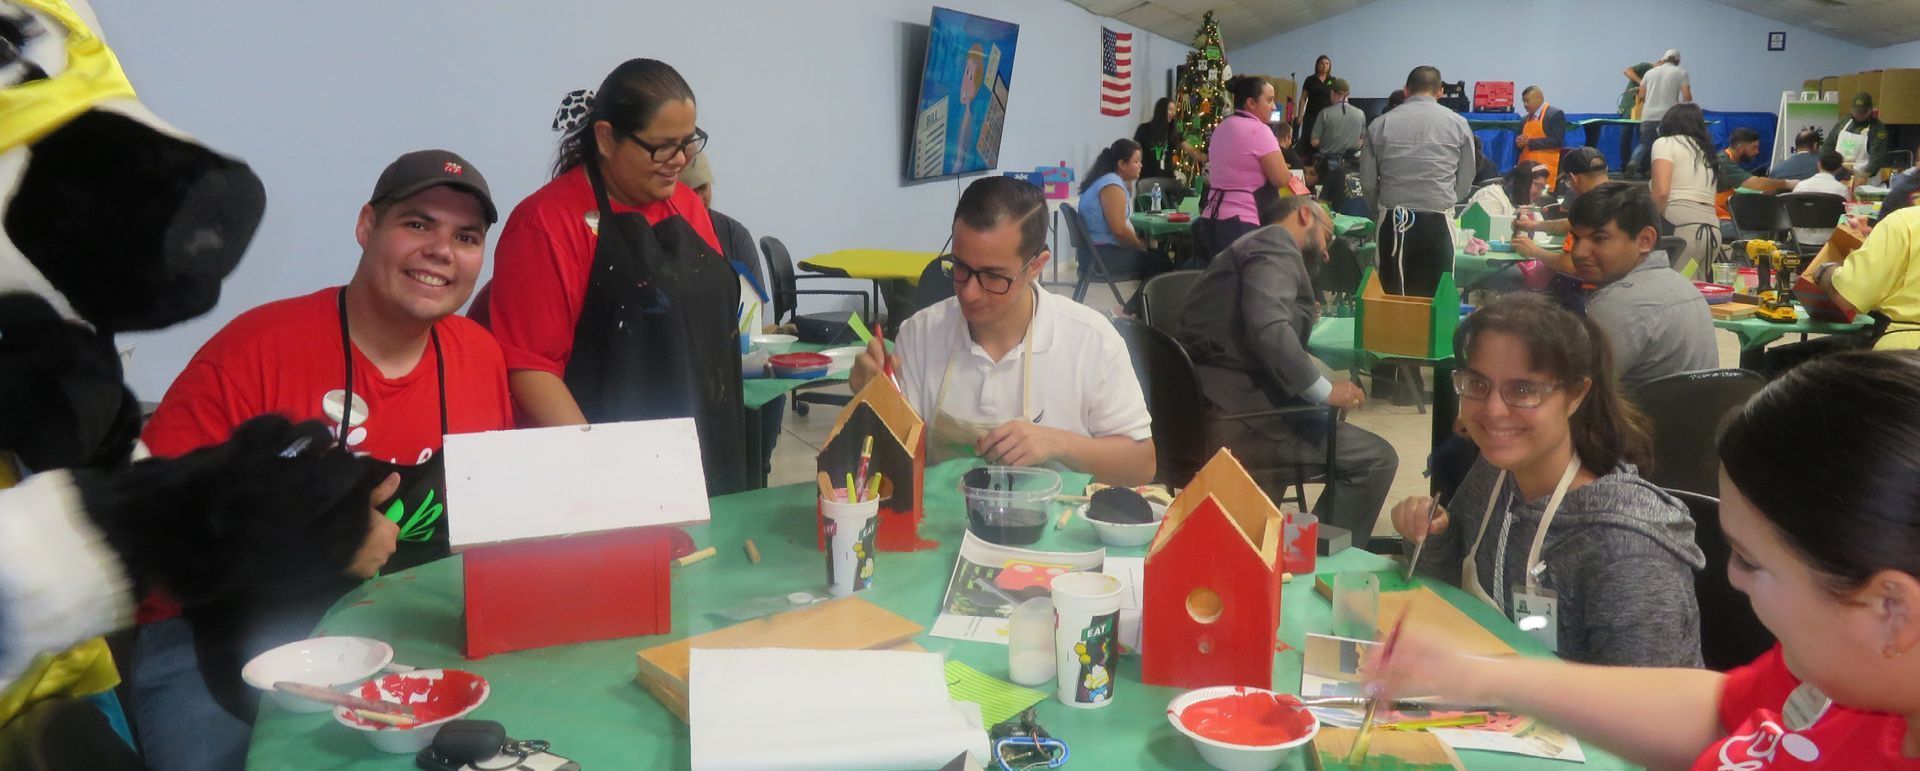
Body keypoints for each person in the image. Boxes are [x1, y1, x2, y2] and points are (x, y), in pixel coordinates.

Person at [133, 150, 514, 770]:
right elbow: (150, 526)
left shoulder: (479, 356)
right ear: (367, 225)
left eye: (466, 237)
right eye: (417, 224)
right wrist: (321, 542)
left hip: (391, 635)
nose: (441, 250)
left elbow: (494, 515)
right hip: (213, 642)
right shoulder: (255, 351)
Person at [1370, 350, 1920, 769]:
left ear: (1893, 609)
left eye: (1752, 562)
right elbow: (1720, 710)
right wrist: (1477, 677)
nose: (1730, 575)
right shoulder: (1840, 672)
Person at [479, 58, 750, 496]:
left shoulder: (686, 204)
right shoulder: (545, 224)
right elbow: (531, 370)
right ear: (605, 138)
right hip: (605, 470)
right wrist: (603, 473)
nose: (681, 160)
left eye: (688, 143)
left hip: (706, 445)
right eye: (662, 147)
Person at [1389, 292, 1704, 666]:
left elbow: (1648, 699)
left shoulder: (1627, 552)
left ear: (1576, 395)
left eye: (1523, 390)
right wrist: (1434, 536)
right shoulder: (1496, 470)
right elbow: (1451, 596)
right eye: (1477, 384)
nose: (1493, 410)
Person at [849, 177, 1154, 485]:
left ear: (1036, 266)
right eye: (960, 267)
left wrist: (1059, 443)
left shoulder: (1091, 341)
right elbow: (889, 467)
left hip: (1053, 515)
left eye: (993, 277)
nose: (969, 292)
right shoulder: (921, 334)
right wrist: (872, 403)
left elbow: (1141, 464)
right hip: (941, 515)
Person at [1175, 188, 1398, 538]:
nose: (1327, 252)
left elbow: (1255, 324)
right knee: (1376, 458)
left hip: (1208, 411)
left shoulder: (1250, 248)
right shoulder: (1276, 243)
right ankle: (1317, 556)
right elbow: (1268, 328)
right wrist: (1325, 391)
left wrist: (1298, 313)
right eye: (1328, 236)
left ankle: (1286, 544)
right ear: (1305, 215)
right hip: (1243, 420)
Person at [1569, 182, 1717, 391]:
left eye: (1599, 238)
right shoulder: (1686, 288)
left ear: (1645, 240)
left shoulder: (1617, 304)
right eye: (1576, 238)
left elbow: (1571, 392)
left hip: (1643, 414)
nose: (1579, 252)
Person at [1359, 65, 1476, 297]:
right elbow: (1466, 177)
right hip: (1438, 220)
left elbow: (1368, 182)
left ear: (1406, 90)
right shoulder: (1459, 124)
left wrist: (1380, 209)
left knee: (1391, 297)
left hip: (1394, 221)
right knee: (1437, 298)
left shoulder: (1380, 124)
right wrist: (1447, 201)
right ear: (1440, 91)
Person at [1196, 75, 1296, 261]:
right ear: (1251, 103)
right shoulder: (1260, 130)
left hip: (1210, 218)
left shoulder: (1221, 127)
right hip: (1241, 223)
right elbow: (1280, 179)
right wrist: (1287, 172)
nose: (1274, 107)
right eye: (1269, 100)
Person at [1807, 207, 1920, 349]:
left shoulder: (1903, 223)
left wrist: (1825, 271)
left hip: (1902, 351)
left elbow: (1845, 297)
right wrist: (1872, 245)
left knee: (1784, 358)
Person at [1075, 138, 1171, 290]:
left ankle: (1139, 302)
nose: (1140, 165)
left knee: (1161, 256)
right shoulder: (1111, 184)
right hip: (1101, 257)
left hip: (1093, 254)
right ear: (1121, 164)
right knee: (1163, 264)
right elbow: (1119, 230)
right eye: (1136, 161)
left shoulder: (1106, 180)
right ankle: (1140, 303)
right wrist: (1139, 245)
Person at [1650, 103, 1724, 279]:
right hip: (1712, 230)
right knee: (1697, 289)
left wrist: (1647, 222)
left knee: (1672, 287)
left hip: (1680, 228)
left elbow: (1661, 192)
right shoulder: (1709, 152)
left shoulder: (1665, 143)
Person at [1713, 127, 1797, 242]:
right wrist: (1787, 183)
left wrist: (1762, 193)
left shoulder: (1725, 159)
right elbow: (1755, 182)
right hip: (1717, 221)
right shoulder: (1723, 163)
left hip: (1722, 217)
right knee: (1757, 231)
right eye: (1754, 147)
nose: (1757, 152)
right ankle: (1747, 254)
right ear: (1740, 147)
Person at [1311, 77, 1367, 216]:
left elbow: (1314, 142)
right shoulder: (1360, 114)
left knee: (1325, 208)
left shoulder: (1325, 113)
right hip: (1353, 166)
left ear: (1332, 93)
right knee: (1346, 204)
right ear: (1348, 94)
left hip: (1327, 166)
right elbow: (1361, 141)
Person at [1632, 49, 1691, 176]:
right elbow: (1687, 97)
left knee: (1644, 144)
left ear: (1663, 59)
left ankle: (1633, 162)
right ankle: (1659, 171)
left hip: (1648, 115)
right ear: (1678, 61)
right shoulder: (1681, 73)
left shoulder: (1649, 73)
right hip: (1668, 117)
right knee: (1666, 146)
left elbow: (1641, 94)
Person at [1823, 91, 1891, 183]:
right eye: (1856, 112)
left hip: (1864, 178)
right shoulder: (1844, 122)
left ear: (1871, 110)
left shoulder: (1878, 129)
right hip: (1838, 174)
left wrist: (1865, 175)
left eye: (1863, 112)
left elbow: (1877, 158)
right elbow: (1828, 145)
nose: (1859, 115)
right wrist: (1826, 166)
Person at [1790, 151, 1853, 249]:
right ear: (1839, 168)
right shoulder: (1841, 189)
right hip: (1829, 239)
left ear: (1819, 164)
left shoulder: (1800, 186)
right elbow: (1847, 215)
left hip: (1798, 238)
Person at [1134, 97, 1202, 186]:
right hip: (1147, 180)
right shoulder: (1143, 129)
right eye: (1170, 109)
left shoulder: (1173, 133)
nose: (1173, 113)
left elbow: (1191, 150)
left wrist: (1204, 157)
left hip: (1168, 181)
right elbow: (1134, 153)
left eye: (1174, 111)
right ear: (1161, 111)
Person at [1516, 86, 1567, 190]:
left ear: (1539, 98)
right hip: (1526, 172)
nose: (1525, 105)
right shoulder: (1524, 120)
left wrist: (1529, 142)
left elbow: (1557, 141)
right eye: (1523, 101)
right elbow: (1521, 148)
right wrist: (1519, 143)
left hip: (1545, 171)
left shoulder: (1554, 115)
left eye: (1527, 101)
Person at [1468, 159, 1549, 218]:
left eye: (1542, 188)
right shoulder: (1490, 195)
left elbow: (1540, 236)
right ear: (1522, 181)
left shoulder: (1531, 208)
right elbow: (1485, 231)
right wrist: (1513, 219)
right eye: (1537, 185)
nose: (1539, 193)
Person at [1298, 55, 1335, 161]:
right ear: (1317, 65)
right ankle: (1308, 163)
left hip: (1327, 116)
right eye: (1322, 63)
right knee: (1310, 139)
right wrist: (1300, 115)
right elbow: (1303, 98)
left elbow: (1336, 97)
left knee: (1326, 140)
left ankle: (1323, 163)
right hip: (1311, 115)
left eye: (1327, 63)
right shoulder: (1310, 80)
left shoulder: (1332, 80)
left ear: (1330, 66)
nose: (1324, 65)